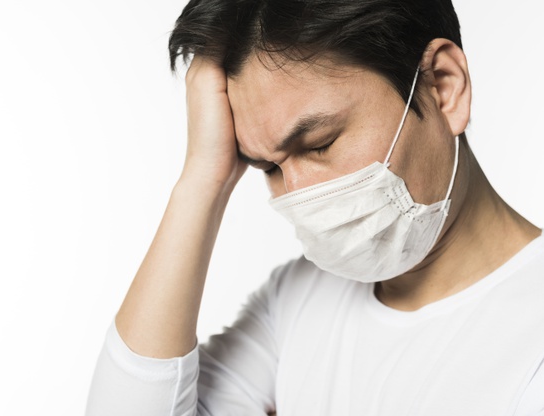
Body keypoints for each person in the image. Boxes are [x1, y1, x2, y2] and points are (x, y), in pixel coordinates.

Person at [85, 0, 544, 414]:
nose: (299, 191)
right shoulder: (296, 299)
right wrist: (203, 178)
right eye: (268, 166)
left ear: (443, 87)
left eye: (320, 143)